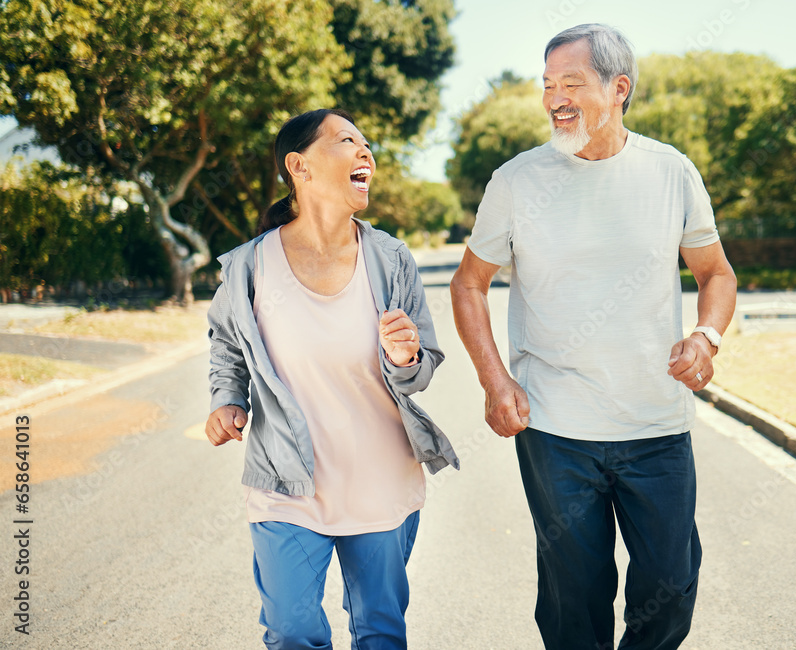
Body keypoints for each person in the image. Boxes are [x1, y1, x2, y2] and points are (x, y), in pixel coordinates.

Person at [450, 24, 737, 650]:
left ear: (620, 88)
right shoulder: (517, 181)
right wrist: (496, 380)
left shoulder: (671, 172)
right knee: (573, 601)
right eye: (548, 85)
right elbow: (468, 285)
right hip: (557, 429)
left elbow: (716, 273)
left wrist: (706, 337)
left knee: (671, 586)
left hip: (656, 425)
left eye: (572, 83)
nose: (555, 98)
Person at [205, 108, 459, 650]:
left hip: (381, 478)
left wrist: (406, 357)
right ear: (299, 166)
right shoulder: (250, 266)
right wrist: (227, 399)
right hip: (286, 482)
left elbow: (424, 367)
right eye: (347, 141)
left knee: (380, 631)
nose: (366, 153)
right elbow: (227, 342)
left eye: (368, 145)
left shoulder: (390, 258)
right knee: (292, 631)